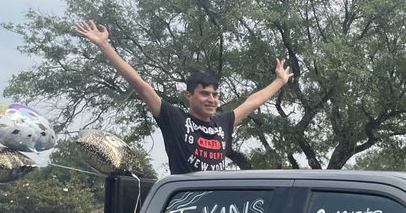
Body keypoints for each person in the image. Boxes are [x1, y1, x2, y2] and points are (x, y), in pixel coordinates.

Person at [75, 19, 294, 174]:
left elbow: (252, 102)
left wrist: (279, 81)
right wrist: (104, 45)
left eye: (215, 95)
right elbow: (141, 85)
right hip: (186, 202)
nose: (211, 99)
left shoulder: (223, 122)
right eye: (205, 94)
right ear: (189, 95)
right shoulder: (175, 119)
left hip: (218, 206)